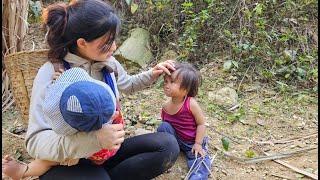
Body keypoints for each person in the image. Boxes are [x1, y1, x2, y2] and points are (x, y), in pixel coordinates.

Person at [3, 0, 180, 179]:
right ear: (82, 43)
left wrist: (152, 73)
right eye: (107, 42)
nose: (114, 47)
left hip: (105, 151)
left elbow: (128, 84)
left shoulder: (108, 62)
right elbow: (36, 142)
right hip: (69, 160)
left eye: (114, 40)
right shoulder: (52, 73)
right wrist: (93, 140)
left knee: (167, 146)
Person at [3, 67, 123, 179]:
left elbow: (78, 118)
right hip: (108, 151)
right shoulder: (109, 113)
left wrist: (60, 83)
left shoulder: (78, 129)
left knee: (48, 161)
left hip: (85, 154)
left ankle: (24, 170)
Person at [157, 62, 212, 180]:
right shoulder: (165, 106)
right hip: (176, 140)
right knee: (163, 126)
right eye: (165, 81)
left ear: (186, 89)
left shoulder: (190, 104)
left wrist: (198, 144)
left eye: (172, 82)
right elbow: (167, 129)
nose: (166, 85)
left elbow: (201, 124)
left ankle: (197, 176)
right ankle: (169, 150)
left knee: (200, 161)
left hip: (192, 142)